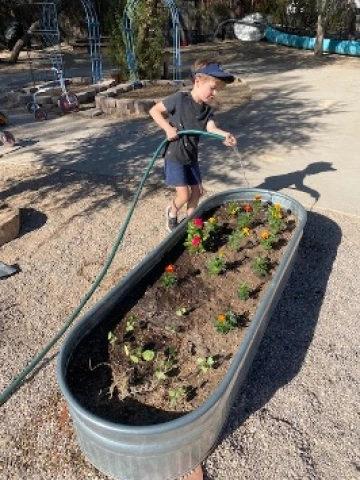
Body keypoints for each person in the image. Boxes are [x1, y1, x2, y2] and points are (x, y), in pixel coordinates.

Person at [149, 59, 237, 233]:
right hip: (175, 156)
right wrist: (168, 128)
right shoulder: (179, 99)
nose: (215, 94)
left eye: (217, 90)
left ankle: (192, 225)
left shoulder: (206, 110)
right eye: (213, 88)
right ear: (198, 82)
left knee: (197, 192)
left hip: (191, 156)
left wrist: (224, 135)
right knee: (184, 195)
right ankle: (172, 211)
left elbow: (211, 128)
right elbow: (154, 110)